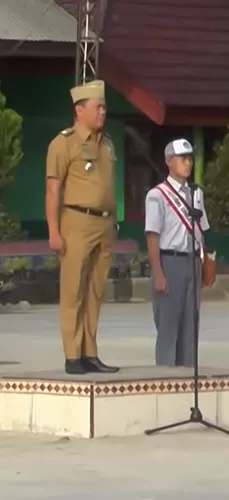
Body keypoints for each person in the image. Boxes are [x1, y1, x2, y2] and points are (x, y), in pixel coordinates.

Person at [45, 79, 119, 375]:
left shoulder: (108, 143)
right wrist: (53, 230)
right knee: (73, 290)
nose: (103, 112)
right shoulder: (63, 144)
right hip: (76, 221)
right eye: (97, 107)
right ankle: (72, 354)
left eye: (104, 107)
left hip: (104, 224)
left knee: (95, 292)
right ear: (79, 110)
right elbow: (53, 190)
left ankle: (90, 352)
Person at [144, 139, 210, 366]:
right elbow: (152, 236)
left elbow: (202, 230)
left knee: (191, 324)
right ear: (169, 162)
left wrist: (204, 263)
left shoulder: (196, 194)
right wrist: (158, 273)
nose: (188, 163)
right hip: (169, 261)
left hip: (193, 261)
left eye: (190, 158)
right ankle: (165, 376)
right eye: (182, 158)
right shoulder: (157, 195)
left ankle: (188, 374)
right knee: (169, 324)